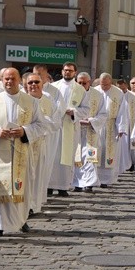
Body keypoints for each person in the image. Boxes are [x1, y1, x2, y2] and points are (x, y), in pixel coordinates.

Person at [0, 68, 45, 238]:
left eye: (12, 78)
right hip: (0, 153)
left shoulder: (31, 102)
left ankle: (21, 220)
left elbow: (41, 125)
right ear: (1, 80)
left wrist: (24, 131)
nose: (9, 81)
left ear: (20, 80)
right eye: (6, 78)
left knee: (22, 187)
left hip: (22, 152)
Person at [48, 62, 89, 197]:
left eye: (70, 71)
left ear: (75, 73)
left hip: (70, 126)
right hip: (54, 126)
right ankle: (48, 185)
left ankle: (63, 186)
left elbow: (86, 109)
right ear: (62, 71)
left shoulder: (80, 90)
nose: (67, 73)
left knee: (66, 157)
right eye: (65, 70)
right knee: (52, 155)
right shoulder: (53, 87)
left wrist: (74, 112)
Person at [25, 73, 58, 215]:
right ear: (25, 84)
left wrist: (41, 125)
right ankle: (21, 207)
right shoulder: (21, 98)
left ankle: (33, 206)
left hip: (40, 143)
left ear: (42, 83)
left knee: (37, 175)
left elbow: (56, 122)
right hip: (23, 144)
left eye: (36, 82)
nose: (33, 85)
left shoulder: (48, 99)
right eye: (30, 82)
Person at [73, 72, 107, 193]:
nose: (82, 85)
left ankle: (89, 183)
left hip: (90, 130)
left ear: (90, 82)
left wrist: (91, 121)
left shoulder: (97, 95)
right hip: (75, 129)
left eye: (84, 83)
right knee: (76, 157)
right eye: (79, 82)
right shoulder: (72, 93)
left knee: (89, 156)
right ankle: (77, 182)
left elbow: (103, 114)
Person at [95, 73, 128, 188]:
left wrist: (121, 127)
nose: (104, 87)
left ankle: (107, 179)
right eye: (102, 84)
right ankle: (94, 178)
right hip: (97, 125)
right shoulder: (94, 92)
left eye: (107, 85)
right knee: (96, 151)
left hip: (111, 125)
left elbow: (122, 111)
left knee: (108, 152)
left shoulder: (118, 93)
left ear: (111, 83)